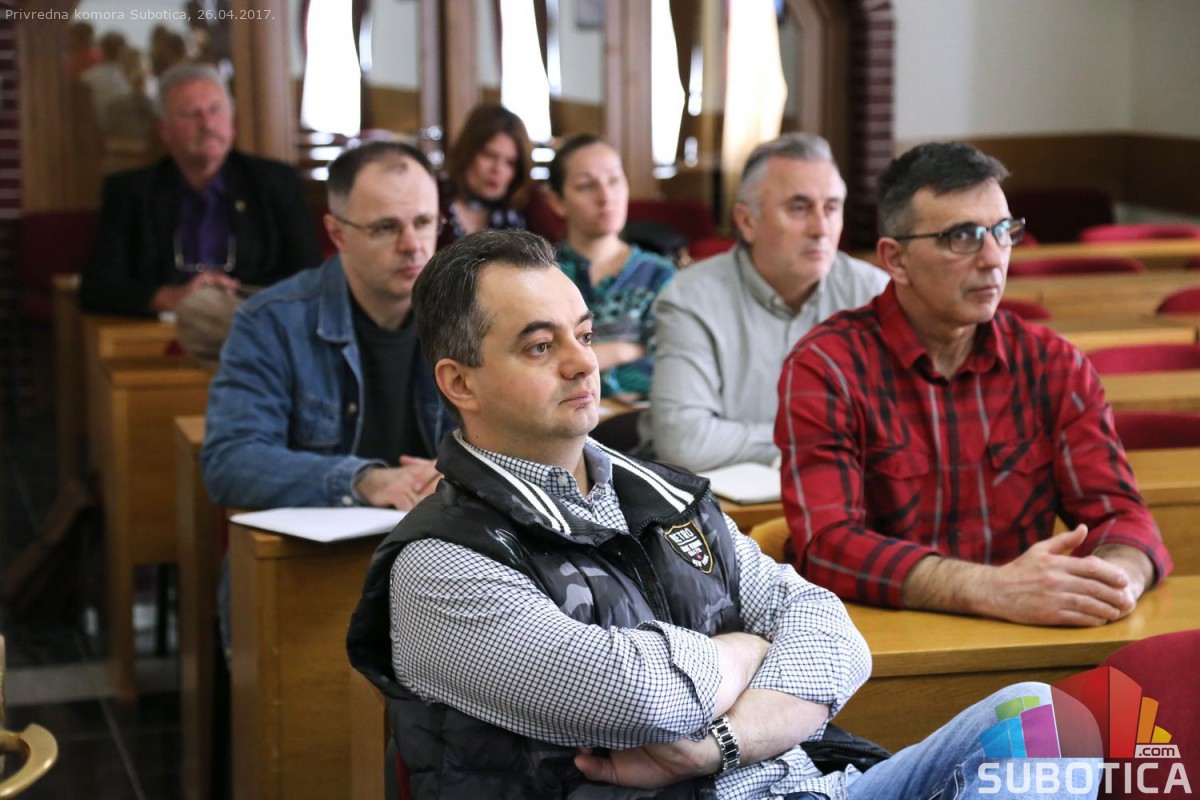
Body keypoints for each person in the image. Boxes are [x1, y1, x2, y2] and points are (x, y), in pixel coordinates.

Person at [347, 228, 1102, 800]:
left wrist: (721, 743)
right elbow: (639, 698)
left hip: (802, 784)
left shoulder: (666, 495)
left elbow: (834, 634)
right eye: (540, 347)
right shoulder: (440, 562)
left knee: (1042, 720)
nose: (584, 362)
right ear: (461, 383)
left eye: (584, 334)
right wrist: (744, 650)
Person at [775, 141, 1173, 627]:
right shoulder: (826, 366)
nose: (993, 258)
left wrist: (1118, 577)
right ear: (896, 259)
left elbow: (1123, 517)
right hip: (880, 642)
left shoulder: (1053, 364)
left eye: (1003, 232)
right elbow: (828, 544)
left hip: (1024, 631)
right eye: (962, 237)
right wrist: (989, 589)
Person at [202, 140, 452, 512]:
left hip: (444, 537)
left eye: (424, 222)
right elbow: (231, 462)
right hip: (319, 543)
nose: (412, 245)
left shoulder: (468, 313)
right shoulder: (270, 322)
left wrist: (464, 474)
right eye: (386, 227)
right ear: (337, 234)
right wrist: (365, 481)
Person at [643, 133, 889, 472]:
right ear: (747, 221)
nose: (821, 228)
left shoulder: (873, 293)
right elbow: (685, 443)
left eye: (832, 208)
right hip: (723, 501)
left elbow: (898, 423)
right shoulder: (691, 299)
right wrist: (824, 438)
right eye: (799, 208)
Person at [80, 62, 322, 316]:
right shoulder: (131, 192)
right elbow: (97, 289)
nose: (207, 124)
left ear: (232, 120)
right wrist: (170, 297)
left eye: (215, 110)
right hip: (162, 332)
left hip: (256, 324)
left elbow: (309, 276)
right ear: (164, 129)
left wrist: (242, 298)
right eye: (190, 114)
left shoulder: (274, 182)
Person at [548, 134, 675, 399]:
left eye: (614, 180)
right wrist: (622, 351)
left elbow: (670, 370)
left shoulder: (660, 274)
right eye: (586, 185)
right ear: (557, 201)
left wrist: (581, 370)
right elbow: (535, 373)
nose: (606, 197)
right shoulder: (543, 276)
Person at [437, 103, 532, 249]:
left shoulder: (525, 209)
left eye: (510, 163)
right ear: (467, 151)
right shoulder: (434, 200)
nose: (497, 169)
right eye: (489, 155)